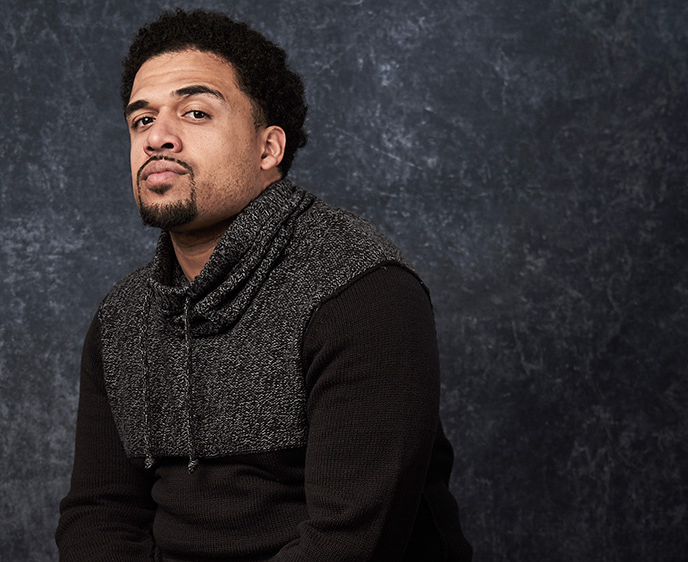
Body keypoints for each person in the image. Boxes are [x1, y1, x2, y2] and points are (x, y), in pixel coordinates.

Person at [56, 9, 472, 561]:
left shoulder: (361, 291)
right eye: (142, 120)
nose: (157, 137)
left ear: (268, 148)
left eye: (196, 112)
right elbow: (98, 516)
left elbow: (349, 542)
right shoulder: (123, 319)